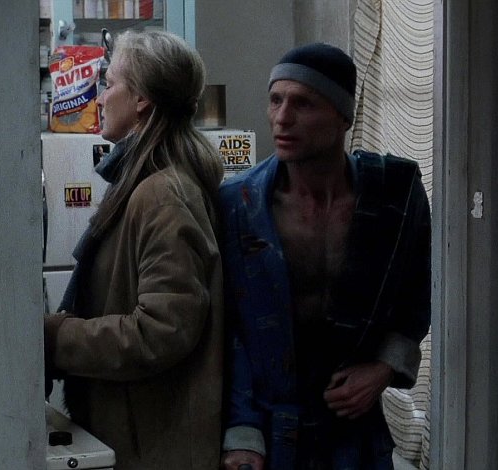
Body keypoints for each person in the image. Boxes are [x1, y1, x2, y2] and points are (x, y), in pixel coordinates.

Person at [219, 43, 431, 470]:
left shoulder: (394, 192)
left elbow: (415, 295)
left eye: (303, 104)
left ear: (343, 117)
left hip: (354, 426)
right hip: (271, 423)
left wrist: (384, 368)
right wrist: (242, 431)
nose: (282, 118)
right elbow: (229, 325)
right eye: (275, 100)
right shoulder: (240, 203)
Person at [43, 30, 225, 469]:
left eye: (109, 84)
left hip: (154, 446)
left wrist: (56, 337)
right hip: (135, 434)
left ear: (141, 99)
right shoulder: (145, 182)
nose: (101, 98)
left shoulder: (163, 194)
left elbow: (161, 332)